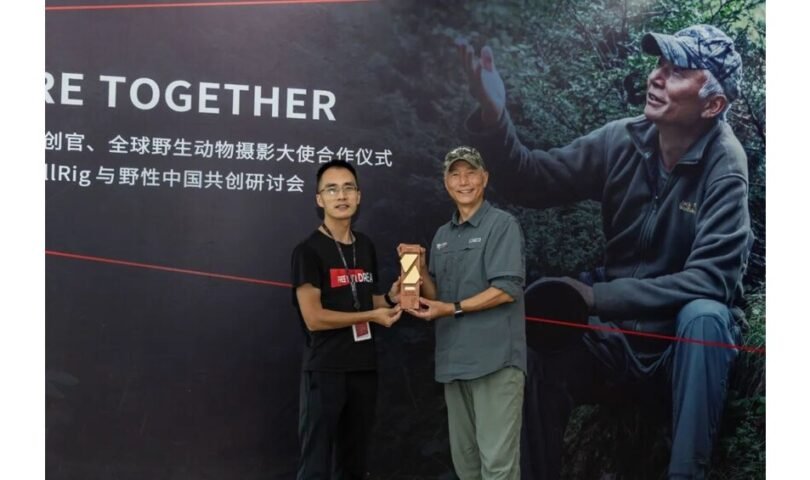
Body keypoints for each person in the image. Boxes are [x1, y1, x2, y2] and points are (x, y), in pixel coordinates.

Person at [457, 24, 753, 480]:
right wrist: (495, 117)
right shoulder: (622, 140)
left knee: (706, 315)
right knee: (532, 348)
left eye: (677, 72)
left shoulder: (725, 164)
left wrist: (597, 297)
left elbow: (712, 280)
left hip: (678, 354)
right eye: (659, 64)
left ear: (712, 105)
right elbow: (533, 179)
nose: (657, 77)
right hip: (615, 344)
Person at [408, 146, 527, 480]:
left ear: (484, 178)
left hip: (495, 363)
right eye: (455, 174)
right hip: (454, 364)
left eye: (471, 173)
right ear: (446, 182)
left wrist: (452, 308)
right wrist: (418, 271)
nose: (463, 181)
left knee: (498, 468)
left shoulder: (502, 225)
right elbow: (437, 298)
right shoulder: (442, 236)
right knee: (467, 468)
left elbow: (507, 289)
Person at [291, 159, 403, 480]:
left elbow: (364, 299)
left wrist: (390, 298)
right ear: (319, 199)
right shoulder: (308, 251)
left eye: (348, 188)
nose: (341, 196)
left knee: (354, 464)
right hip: (325, 369)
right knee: (315, 465)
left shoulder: (364, 246)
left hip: (363, 368)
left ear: (359, 195)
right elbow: (313, 318)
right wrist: (372, 315)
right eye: (331, 189)